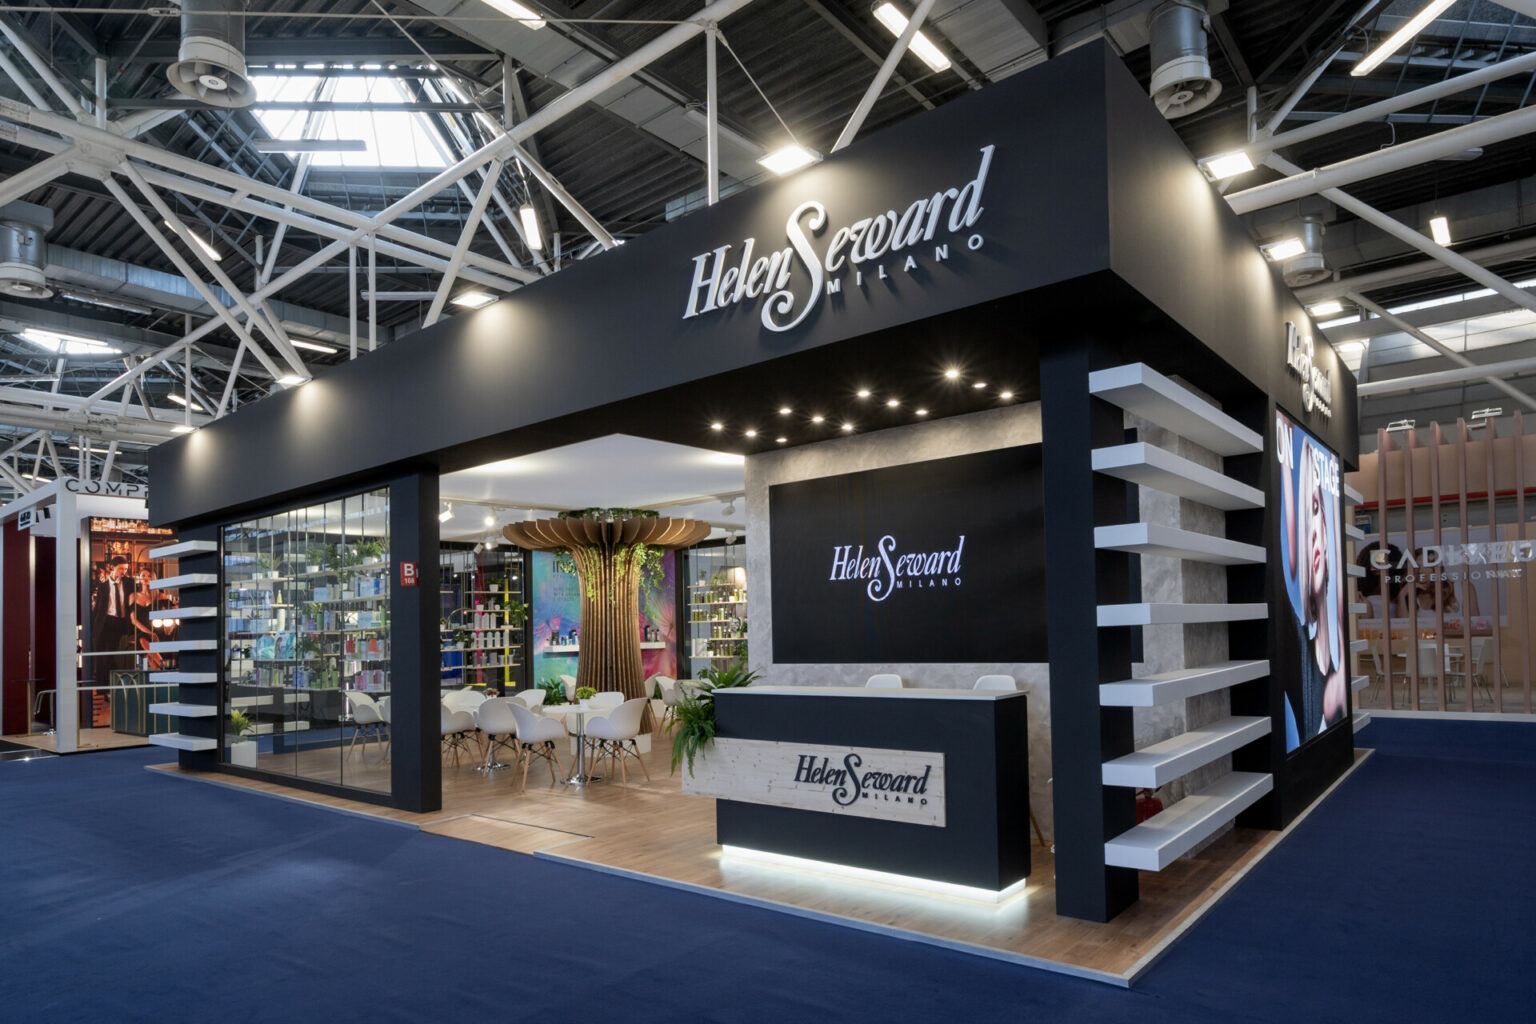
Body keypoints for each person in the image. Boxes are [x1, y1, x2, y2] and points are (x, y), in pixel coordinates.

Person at [1281, 426, 1348, 748]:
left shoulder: (1338, 673)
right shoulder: (1295, 650)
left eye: (1317, 508)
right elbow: (1291, 561)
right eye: (1306, 515)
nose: (1312, 533)